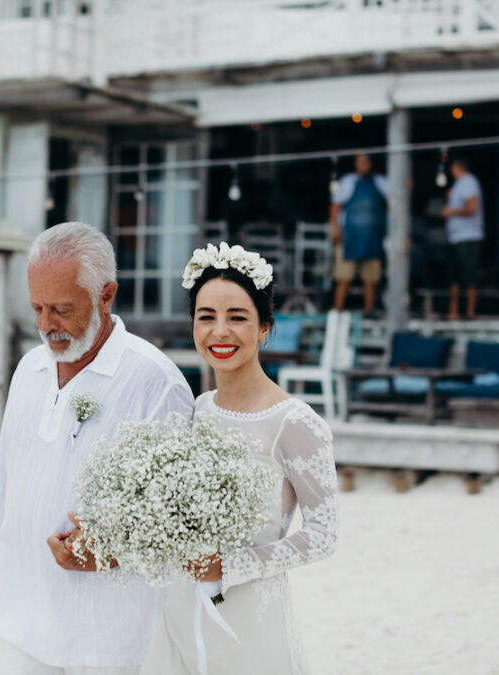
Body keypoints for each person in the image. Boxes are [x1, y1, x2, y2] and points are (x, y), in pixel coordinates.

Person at [0, 222, 195, 673]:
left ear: (106, 295)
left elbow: (180, 525)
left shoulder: (156, 381)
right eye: (37, 308)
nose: (45, 325)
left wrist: (110, 551)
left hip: (108, 641)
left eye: (61, 309)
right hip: (17, 625)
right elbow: (6, 487)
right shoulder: (28, 370)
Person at [140, 243, 339, 675]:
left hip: (252, 625)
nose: (220, 332)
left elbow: (324, 534)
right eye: (206, 317)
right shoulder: (197, 409)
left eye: (237, 317)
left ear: (265, 327)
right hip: (181, 612)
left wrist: (231, 567)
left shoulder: (295, 422)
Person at [331, 153, 388, 314]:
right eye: (359, 162)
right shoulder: (347, 181)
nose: (363, 165)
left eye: (365, 162)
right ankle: (337, 312)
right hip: (349, 237)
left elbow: (397, 199)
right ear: (355, 164)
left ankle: (368, 312)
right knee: (344, 277)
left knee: (371, 279)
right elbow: (335, 206)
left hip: (373, 238)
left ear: (371, 163)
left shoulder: (381, 182)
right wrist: (335, 228)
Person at [441, 157, 484, 320]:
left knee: (469, 274)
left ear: (456, 167)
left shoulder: (468, 181)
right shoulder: (459, 184)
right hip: (456, 237)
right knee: (455, 275)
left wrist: (451, 211)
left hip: (468, 236)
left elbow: (473, 207)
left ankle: (470, 311)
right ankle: (454, 311)